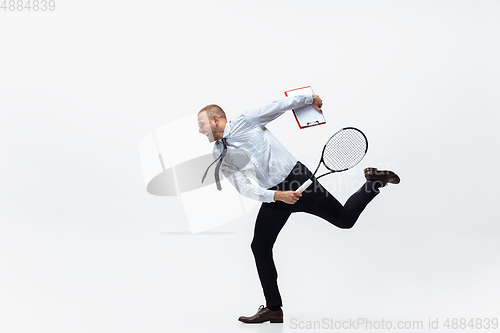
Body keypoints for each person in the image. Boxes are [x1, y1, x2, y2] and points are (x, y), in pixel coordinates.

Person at [197, 94, 400, 324]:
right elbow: (242, 186)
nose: (200, 131)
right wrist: (276, 196)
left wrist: (308, 99)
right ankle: (274, 309)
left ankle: (374, 182)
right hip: (274, 196)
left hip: (296, 179)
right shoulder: (219, 152)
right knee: (259, 246)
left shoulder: (246, 120)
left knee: (345, 220)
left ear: (215, 120)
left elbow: (279, 106)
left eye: (202, 125)